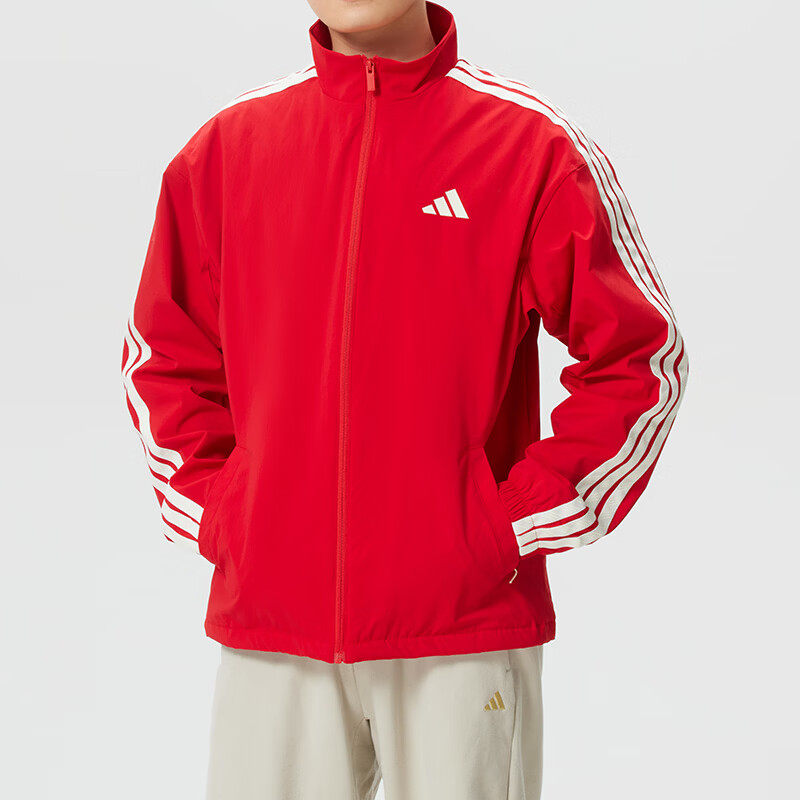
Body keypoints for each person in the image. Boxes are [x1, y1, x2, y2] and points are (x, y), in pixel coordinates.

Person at [121, 1, 688, 797]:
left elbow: (643, 358)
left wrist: (506, 524)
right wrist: (227, 516)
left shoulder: (528, 147)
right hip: (274, 632)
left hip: (461, 630)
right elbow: (162, 357)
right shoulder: (225, 151)